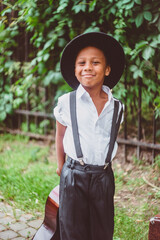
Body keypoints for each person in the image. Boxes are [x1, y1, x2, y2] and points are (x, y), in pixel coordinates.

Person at [54, 32, 125, 240]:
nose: (87, 67)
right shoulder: (67, 102)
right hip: (73, 175)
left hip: (103, 177)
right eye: (81, 63)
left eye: (95, 62)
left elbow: (108, 138)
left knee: (102, 230)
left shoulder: (117, 107)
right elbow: (60, 136)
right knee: (73, 230)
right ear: (75, 70)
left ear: (107, 69)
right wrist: (61, 166)